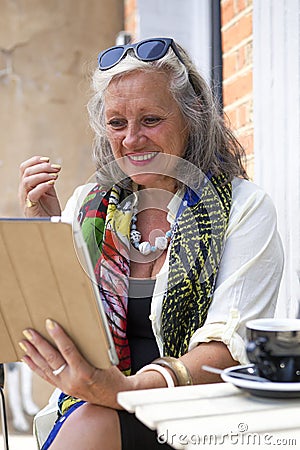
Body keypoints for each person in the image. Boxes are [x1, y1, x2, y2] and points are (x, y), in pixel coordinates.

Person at [18, 37, 284, 450]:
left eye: (151, 119)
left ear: (191, 118)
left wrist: (124, 389)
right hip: (98, 406)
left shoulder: (245, 207)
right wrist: (48, 233)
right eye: (117, 123)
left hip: (199, 416)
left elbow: (226, 350)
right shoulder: (88, 207)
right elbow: (61, 325)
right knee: (91, 418)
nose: (131, 140)